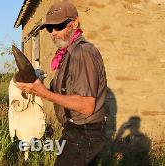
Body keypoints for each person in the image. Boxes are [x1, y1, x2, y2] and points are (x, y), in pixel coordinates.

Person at [15, 1, 107, 165]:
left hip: (84, 133)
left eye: (59, 26)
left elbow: (87, 105)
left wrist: (43, 92)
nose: (54, 33)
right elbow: (64, 92)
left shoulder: (82, 53)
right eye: (50, 28)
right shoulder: (66, 55)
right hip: (75, 131)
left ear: (75, 23)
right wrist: (35, 83)